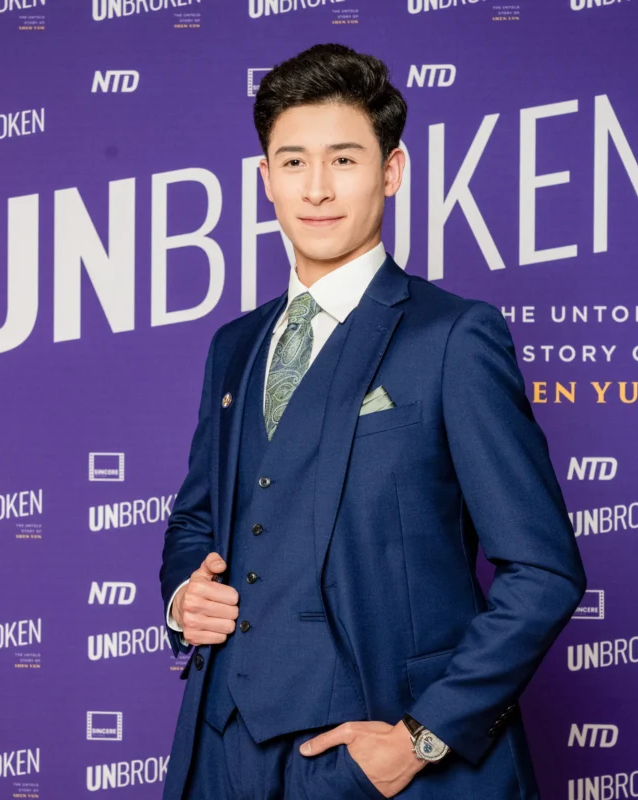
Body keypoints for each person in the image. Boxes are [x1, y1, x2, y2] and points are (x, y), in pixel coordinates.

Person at [158, 43, 586, 799]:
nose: (317, 189)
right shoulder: (234, 347)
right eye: (293, 163)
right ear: (265, 180)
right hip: (222, 754)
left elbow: (543, 572)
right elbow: (197, 522)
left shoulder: (454, 337)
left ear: (391, 170)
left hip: (378, 761)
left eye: (344, 161)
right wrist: (182, 600)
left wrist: (423, 738)